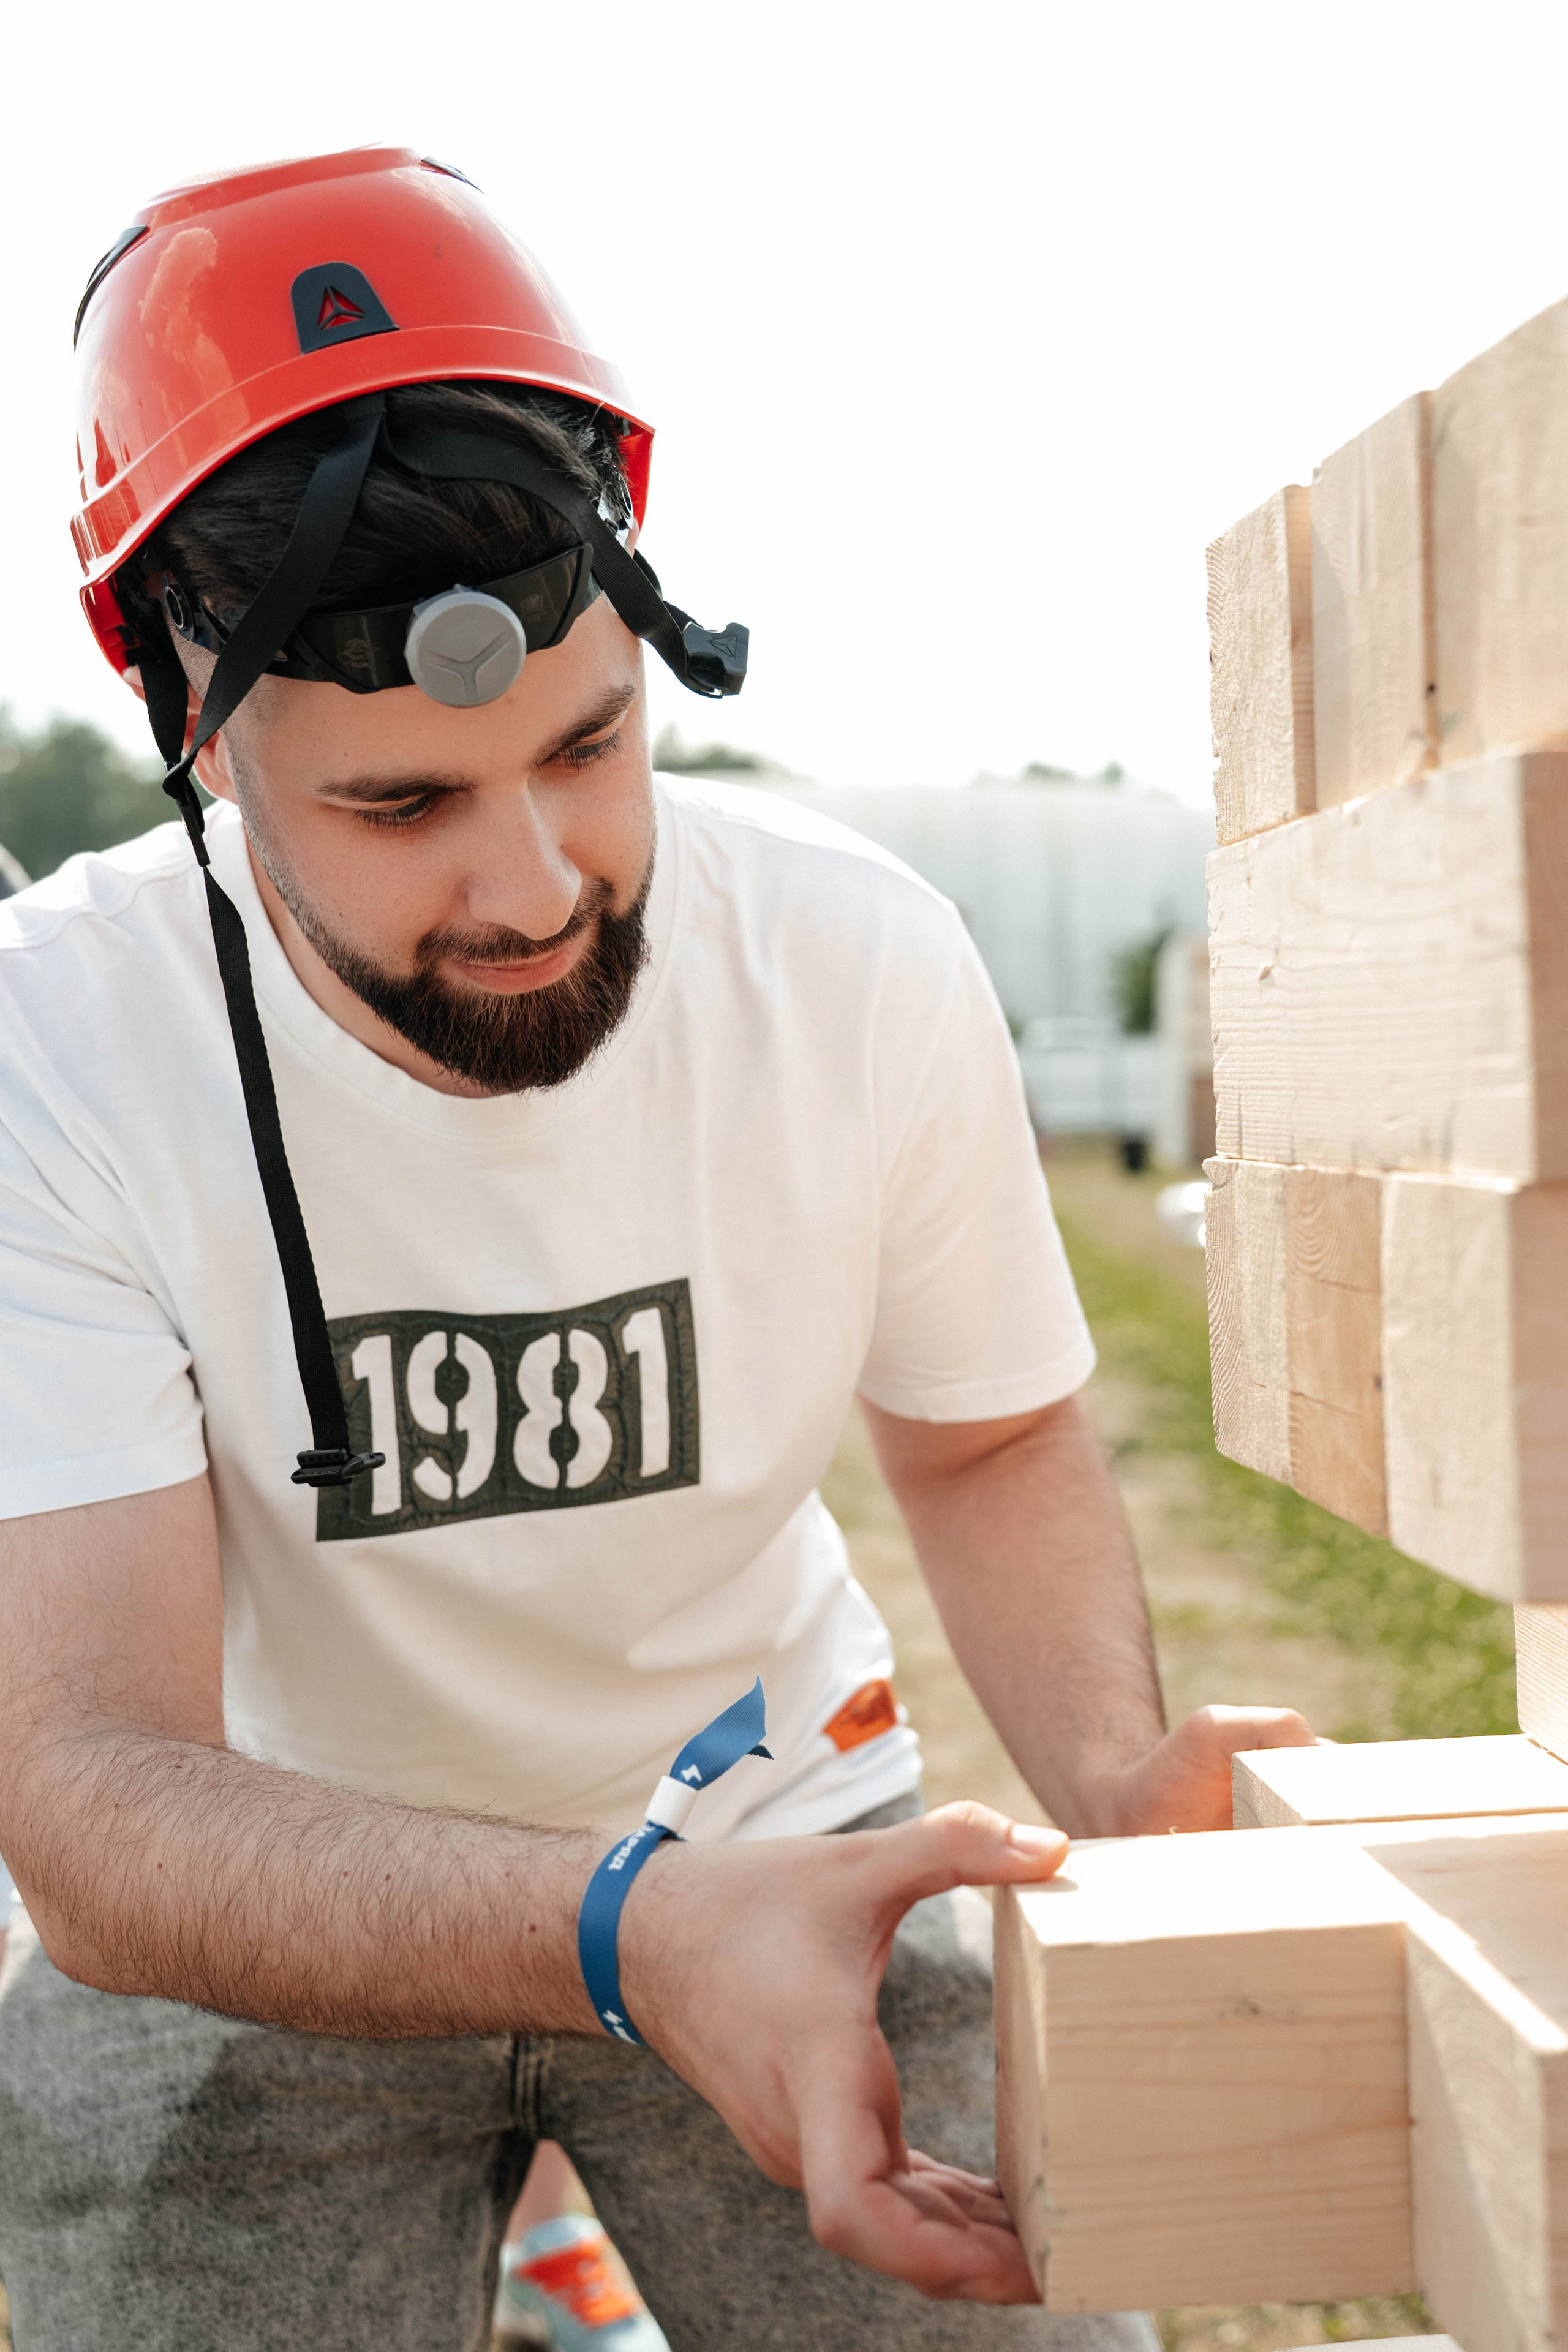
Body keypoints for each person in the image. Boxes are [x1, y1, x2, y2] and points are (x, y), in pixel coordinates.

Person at [0, 145, 1314, 2352]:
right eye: (400, 808)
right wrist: (626, 1932)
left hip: (782, 1847)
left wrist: (1111, 1782)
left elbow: (984, 1446)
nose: (533, 884)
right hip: (267, 1912)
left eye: (593, 744)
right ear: (195, 726)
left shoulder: (860, 960)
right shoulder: (56, 1044)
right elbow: (96, 1799)